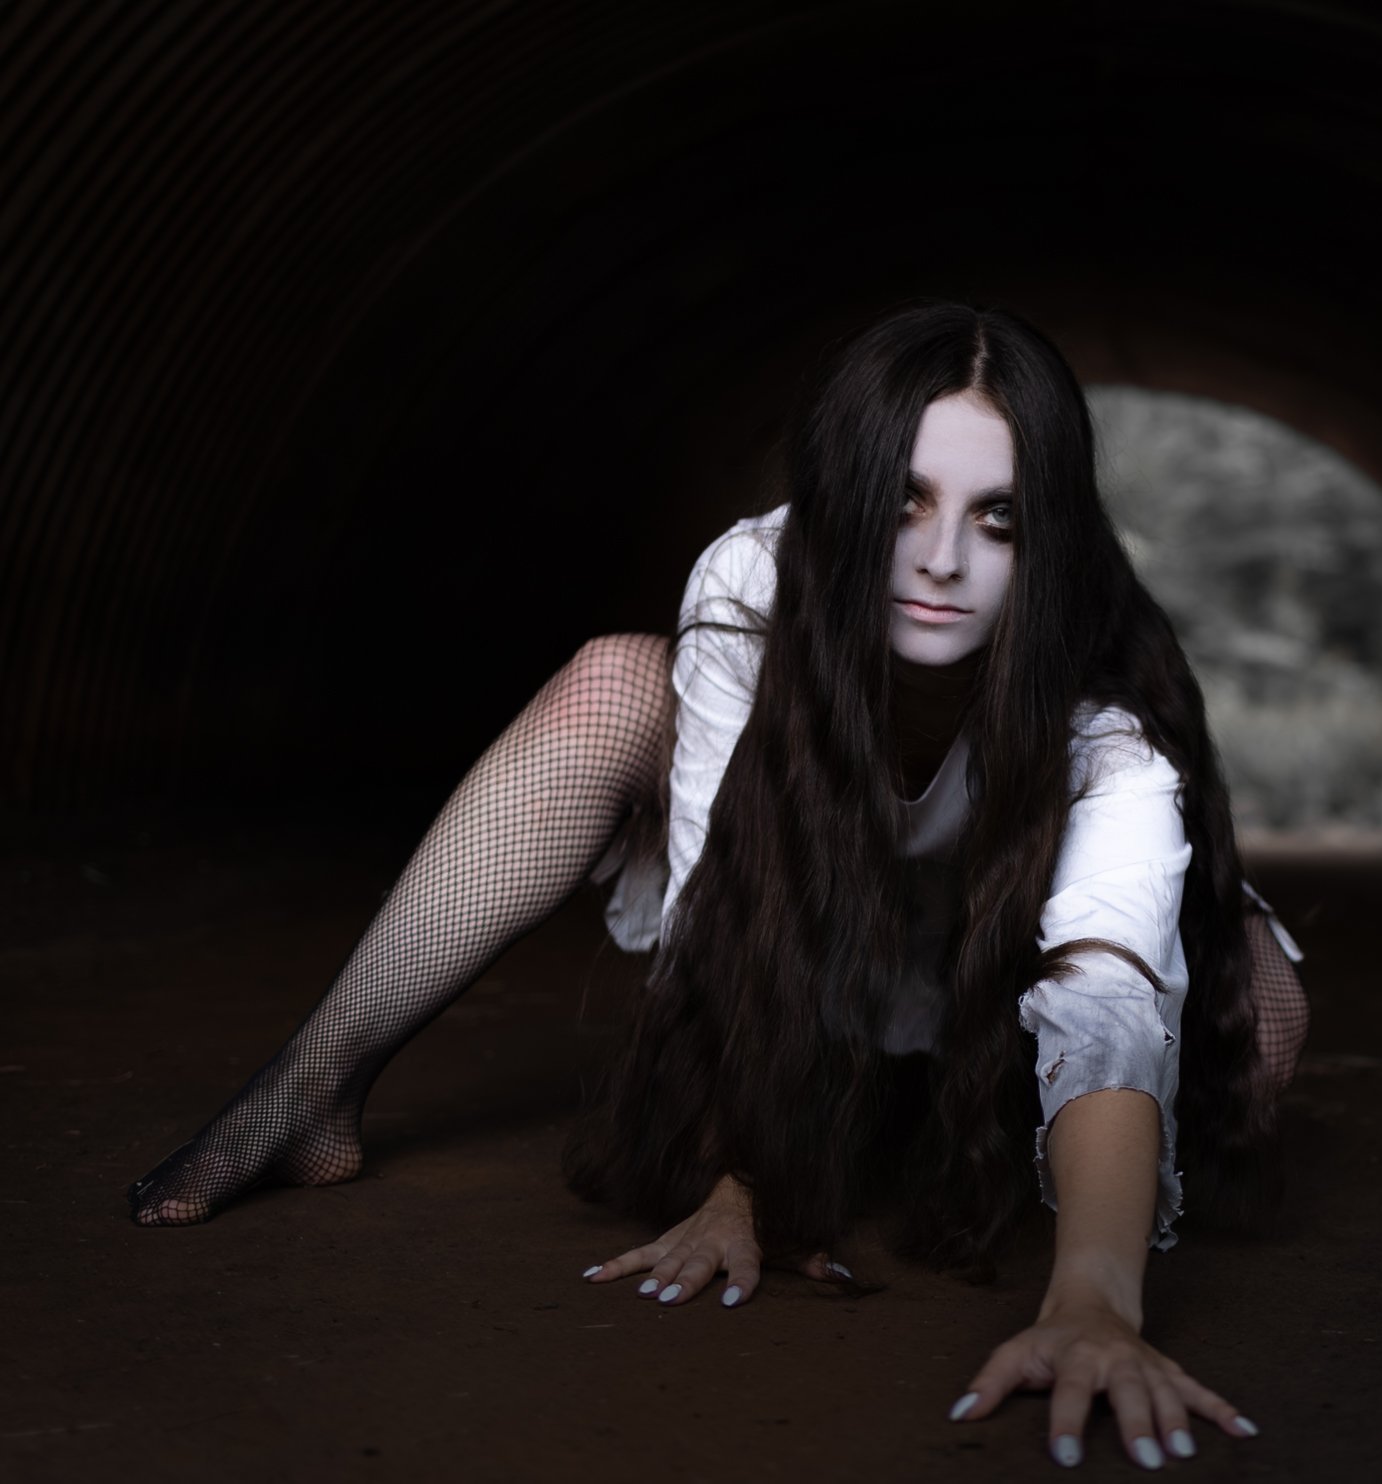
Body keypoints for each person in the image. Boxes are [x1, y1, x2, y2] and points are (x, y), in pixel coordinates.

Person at [128, 300, 1309, 1470]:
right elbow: (728, 896)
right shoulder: (756, 575)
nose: (942, 558)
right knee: (610, 680)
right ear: (841, 489)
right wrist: (742, 1168)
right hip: (822, 931)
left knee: (1257, 1020)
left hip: (993, 965)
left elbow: (1107, 993)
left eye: (997, 517)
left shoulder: (1101, 693)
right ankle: (310, 1086)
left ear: (1048, 531)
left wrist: (1093, 1300)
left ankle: (940, 1119)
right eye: (903, 499)